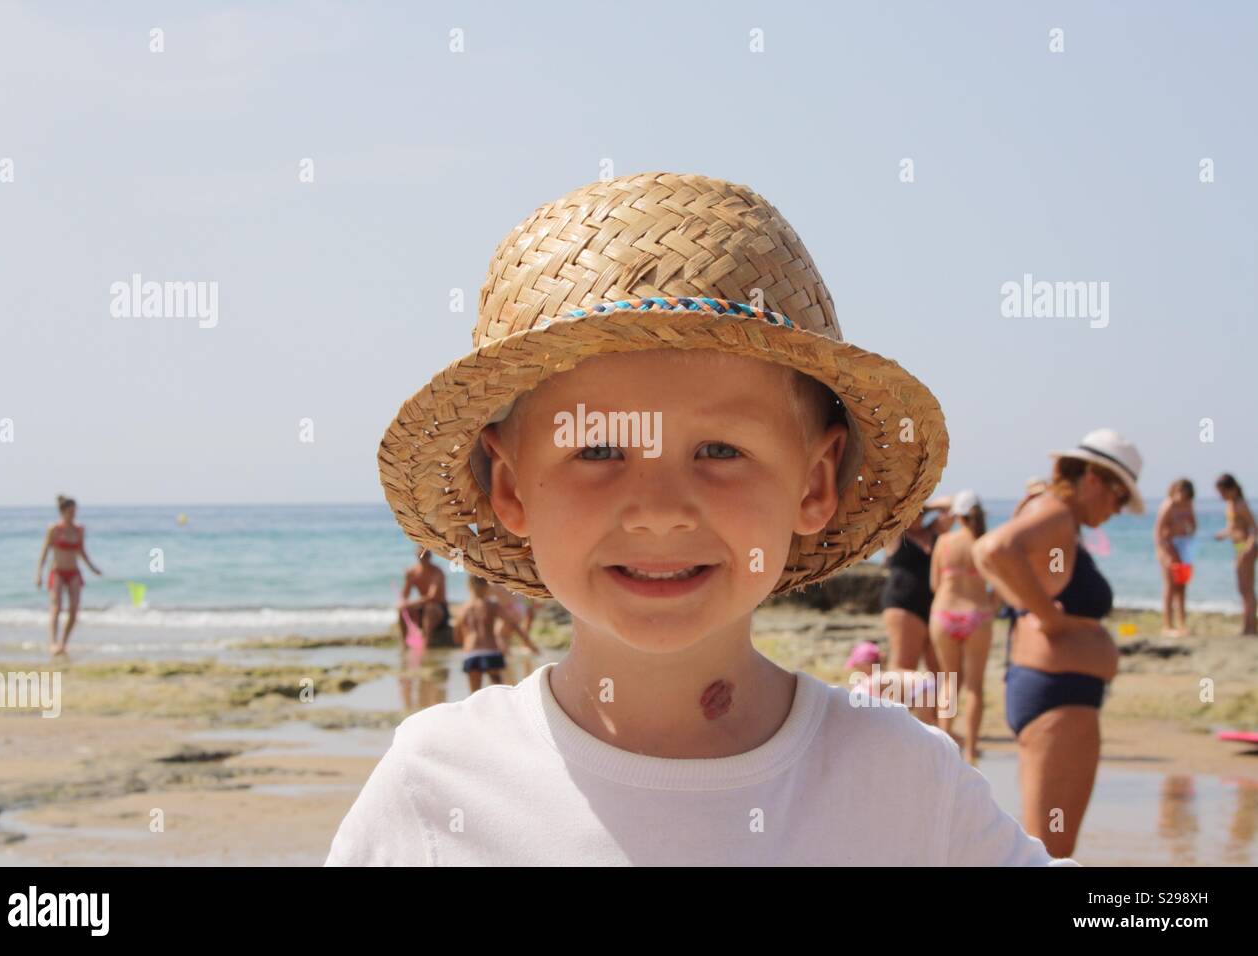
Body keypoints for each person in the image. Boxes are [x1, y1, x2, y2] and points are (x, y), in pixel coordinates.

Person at [328, 171, 1072, 865]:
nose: (657, 511)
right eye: (597, 450)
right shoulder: (436, 788)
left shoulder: (902, 782)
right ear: (512, 487)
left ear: (815, 482)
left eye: (719, 449)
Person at [973, 428, 1143, 858]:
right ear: (1093, 479)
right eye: (1119, 497)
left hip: (1051, 691)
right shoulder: (1057, 514)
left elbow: (990, 557)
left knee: (1044, 848)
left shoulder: (1048, 513)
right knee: (1053, 852)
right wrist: (1047, 617)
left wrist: (1026, 607)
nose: (1118, 510)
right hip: (1060, 696)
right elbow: (993, 549)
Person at [929, 490, 998, 765]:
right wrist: (992, 604)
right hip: (977, 615)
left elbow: (935, 584)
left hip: (944, 613)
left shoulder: (944, 542)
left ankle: (946, 745)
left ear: (957, 515)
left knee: (950, 681)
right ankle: (971, 749)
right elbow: (1001, 584)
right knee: (974, 686)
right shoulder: (984, 543)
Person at [879, 497, 955, 673]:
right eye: (914, 510)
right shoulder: (896, 534)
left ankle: (935, 702)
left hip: (934, 606)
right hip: (903, 604)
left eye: (920, 512)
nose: (918, 515)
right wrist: (913, 505)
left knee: (940, 670)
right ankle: (894, 702)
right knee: (904, 666)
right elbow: (887, 510)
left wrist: (925, 506)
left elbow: (954, 506)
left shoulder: (933, 531)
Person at [34, 495, 101, 656]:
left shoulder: (79, 529)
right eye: (70, 511)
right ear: (63, 511)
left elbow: (81, 552)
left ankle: (63, 643)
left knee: (74, 610)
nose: (73, 514)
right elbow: (44, 551)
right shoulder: (54, 529)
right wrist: (39, 574)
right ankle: (53, 643)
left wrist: (93, 568)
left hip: (74, 573)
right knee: (56, 608)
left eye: (75, 511)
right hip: (57, 572)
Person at [456, 576, 539, 691]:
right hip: (491, 652)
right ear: (486, 586)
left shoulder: (463, 609)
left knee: (473, 695)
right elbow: (512, 624)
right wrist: (527, 642)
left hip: (471, 654)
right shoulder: (493, 605)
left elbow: (458, 635)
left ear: (468, 586)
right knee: (499, 691)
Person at [1214, 473, 1257, 635]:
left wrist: (1248, 548)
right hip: (1238, 547)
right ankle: (1248, 625)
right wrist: (1222, 534)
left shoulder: (1240, 504)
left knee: (1247, 590)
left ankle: (1251, 627)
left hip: (1247, 548)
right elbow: (1234, 528)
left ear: (1232, 489)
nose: (1221, 496)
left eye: (1223, 492)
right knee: (1242, 589)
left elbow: (1254, 528)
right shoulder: (1230, 505)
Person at [1154, 479, 1197, 637]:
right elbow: (1158, 532)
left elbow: (1194, 525)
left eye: (1186, 496)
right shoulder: (1168, 505)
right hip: (1169, 546)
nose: (1182, 498)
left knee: (1182, 586)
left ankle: (1182, 624)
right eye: (1181, 494)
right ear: (1175, 490)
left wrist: (1187, 529)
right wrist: (1163, 552)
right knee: (1170, 586)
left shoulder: (1188, 505)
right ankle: (1167, 625)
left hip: (1184, 546)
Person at [396, 547, 451, 647]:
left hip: (439, 610)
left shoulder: (437, 572)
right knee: (402, 609)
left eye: (426, 555)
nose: (424, 559)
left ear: (430, 556)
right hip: (423, 609)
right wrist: (407, 580)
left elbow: (432, 596)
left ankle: (426, 642)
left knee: (430, 608)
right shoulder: (413, 572)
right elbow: (405, 595)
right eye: (421, 556)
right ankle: (404, 642)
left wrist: (412, 603)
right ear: (417, 556)